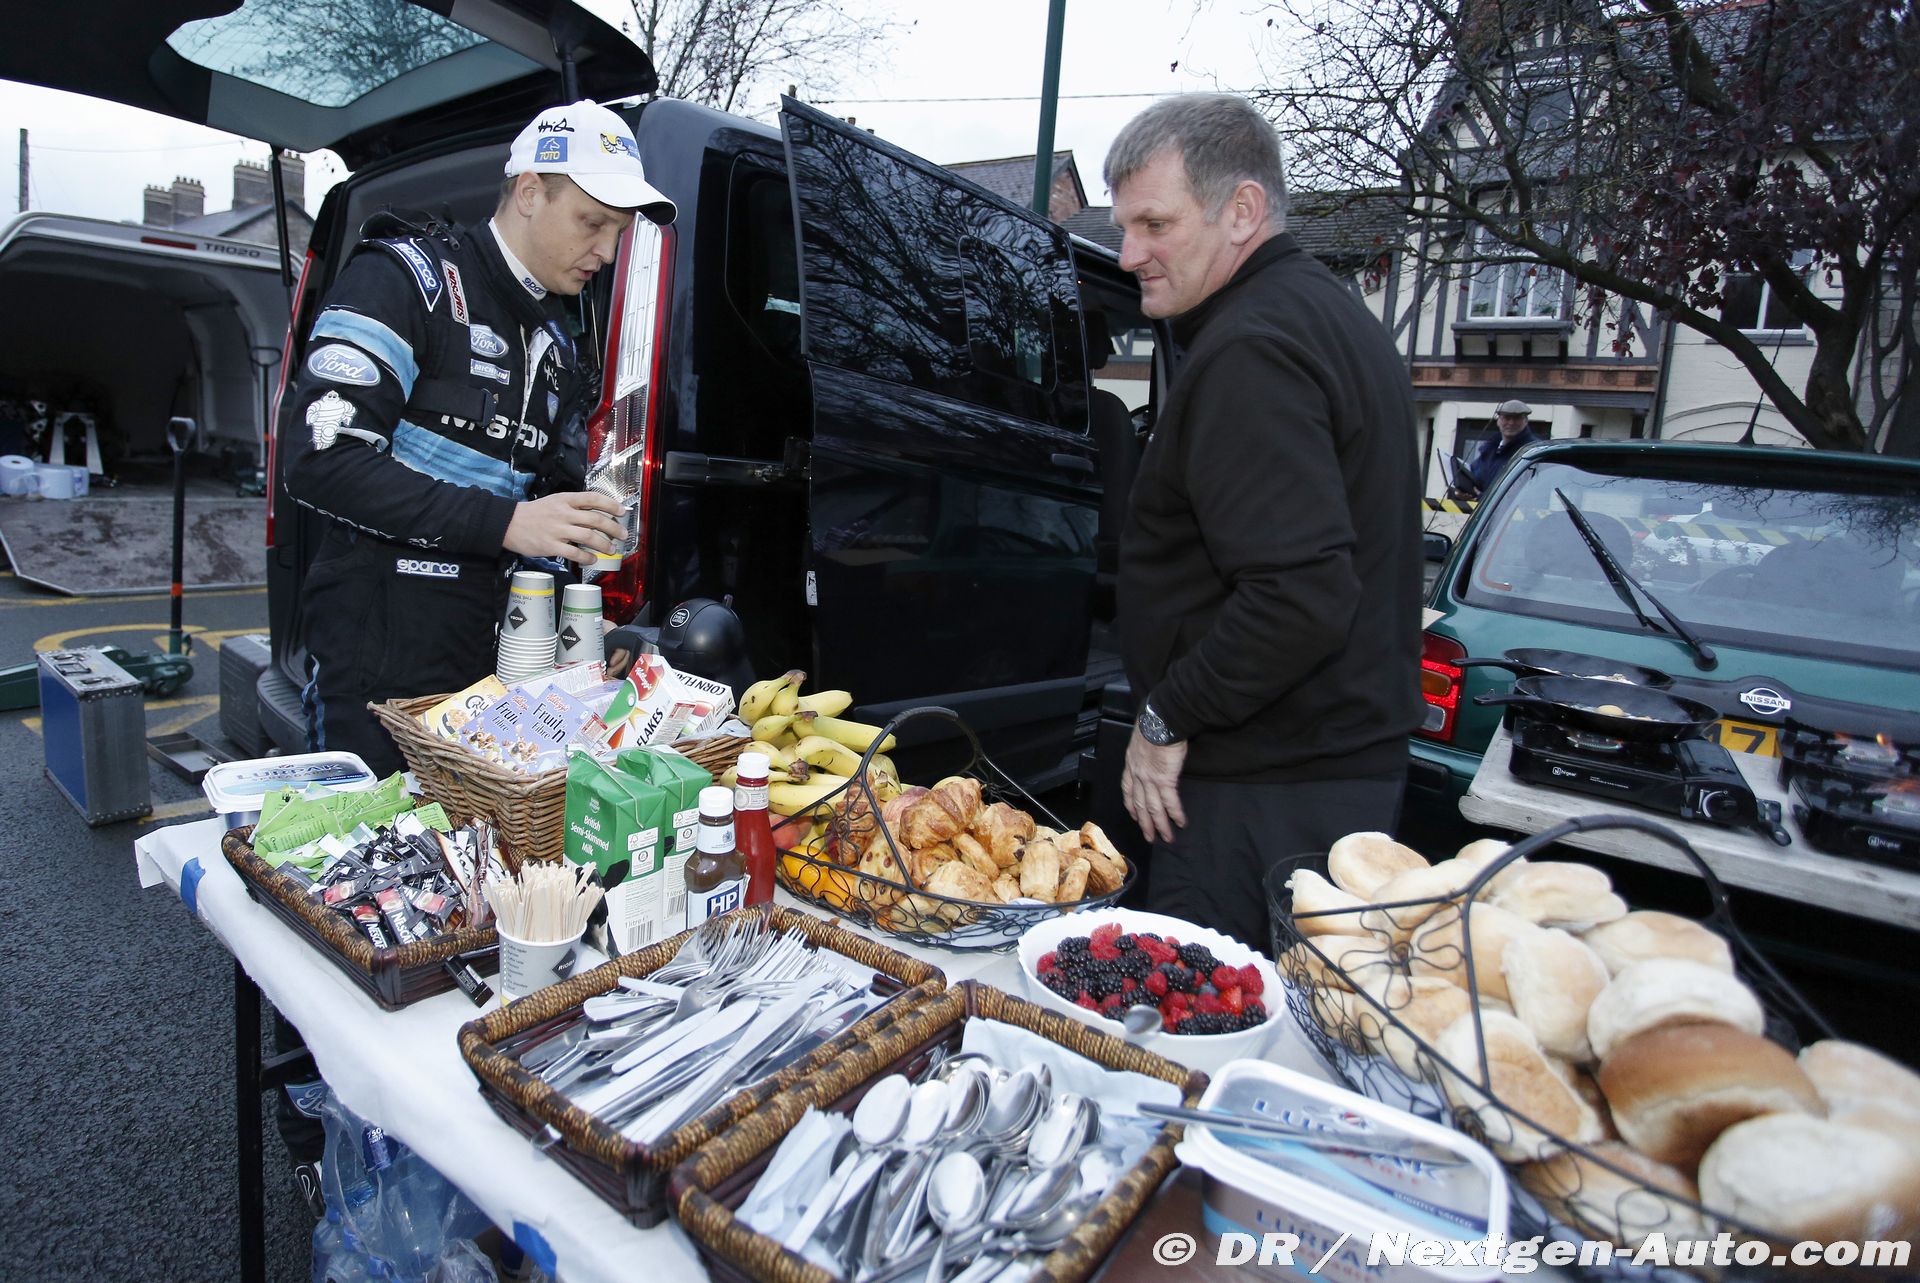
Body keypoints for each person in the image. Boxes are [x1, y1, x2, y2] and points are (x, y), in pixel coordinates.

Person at [1108, 94, 1424, 951]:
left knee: (1217, 1023)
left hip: (1261, 798)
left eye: (1155, 224)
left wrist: (1166, 715)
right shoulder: (1329, 316)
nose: (1130, 254)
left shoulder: (1251, 347)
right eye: (1125, 227)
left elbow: (1300, 593)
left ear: (1242, 210)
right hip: (1328, 777)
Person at [282, 100, 676, 774]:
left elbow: (534, 514)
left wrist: (578, 623)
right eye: (593, 223)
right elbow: (321, 461)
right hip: (378, 660)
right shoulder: (405, 279)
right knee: (367, 842)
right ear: (530, 192)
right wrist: (510, 522)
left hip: (493, 669)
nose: (607, 252)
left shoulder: (555, 341)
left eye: (619, 232)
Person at [1462, 399, 1542, 496]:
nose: (1511, 423)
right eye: (1506, 418)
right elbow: (1475, 476)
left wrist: (1482, 498)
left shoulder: (1533, 450)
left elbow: (1528, 490)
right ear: (1498, 421)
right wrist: (1464, 490)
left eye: (1517, 418)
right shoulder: (1490, 450)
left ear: (1526, 421)